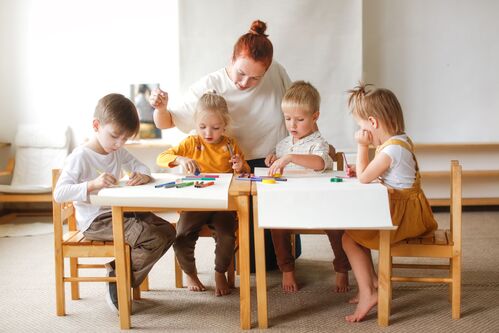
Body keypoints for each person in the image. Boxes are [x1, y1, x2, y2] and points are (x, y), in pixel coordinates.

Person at [150, 19, 297, 271]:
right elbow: (167, 122)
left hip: (269, 161)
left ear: (268, 70)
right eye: (241, 73)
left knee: (277, 245)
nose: (244, 83)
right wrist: (160, 107)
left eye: (255, 78)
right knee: (250, 261)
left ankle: (283, 261)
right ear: (231, 58)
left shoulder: (277, 73)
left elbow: (296, 107)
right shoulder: (209, 85)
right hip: (232, 166)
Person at [53, 93, 176, 313]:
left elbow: (143, 167)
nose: (119, 143)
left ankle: (119, 272)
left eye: (125, 139)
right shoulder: (80, 156)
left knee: (167, 231)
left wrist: (143, 176)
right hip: (95, 221)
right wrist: (91, 185)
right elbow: (59, 193)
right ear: (96, 125)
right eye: (115, 136)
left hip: (120, 211)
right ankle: (117, 278)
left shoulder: (118, 151)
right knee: (152, 237)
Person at [342, 82, 438, 322]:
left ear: (373, 123)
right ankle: (373, 281)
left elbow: (365, 178)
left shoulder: (390, 151)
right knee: (355, 232)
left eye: (362, 127)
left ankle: (369, 292)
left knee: (348, 238)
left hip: (400, 219)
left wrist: (361, 146)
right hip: (409, 213)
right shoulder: (400, 141)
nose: (362, 132)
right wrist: (361, 166)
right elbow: (377, 171)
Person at [157, 91, 251, 296]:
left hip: (222, 205)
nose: (208, 133)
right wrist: (181, 160)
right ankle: (190, 273)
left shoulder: (230, 145)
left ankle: (220, 272)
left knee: (227, 236)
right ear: (195, 124)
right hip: (195, 204)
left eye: (216, 128)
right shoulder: (191, 143)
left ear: (224, 126)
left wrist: (240, 166)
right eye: (202, 127)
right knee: (180, 237)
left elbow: (245, 174)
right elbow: (162, 157)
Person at [264, 81, 351, 293]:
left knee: (336, 226)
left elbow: (320, 163)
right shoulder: (284, 143)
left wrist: (290, 157)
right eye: (287, 119)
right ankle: (287, 269)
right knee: (275, 222)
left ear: (315, 117)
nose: (292, 125)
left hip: (320, 204)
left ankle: (341, 268)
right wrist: (274, 158)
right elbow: (284, 165)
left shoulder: (318, 142)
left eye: (300, 119)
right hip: (292, 204)